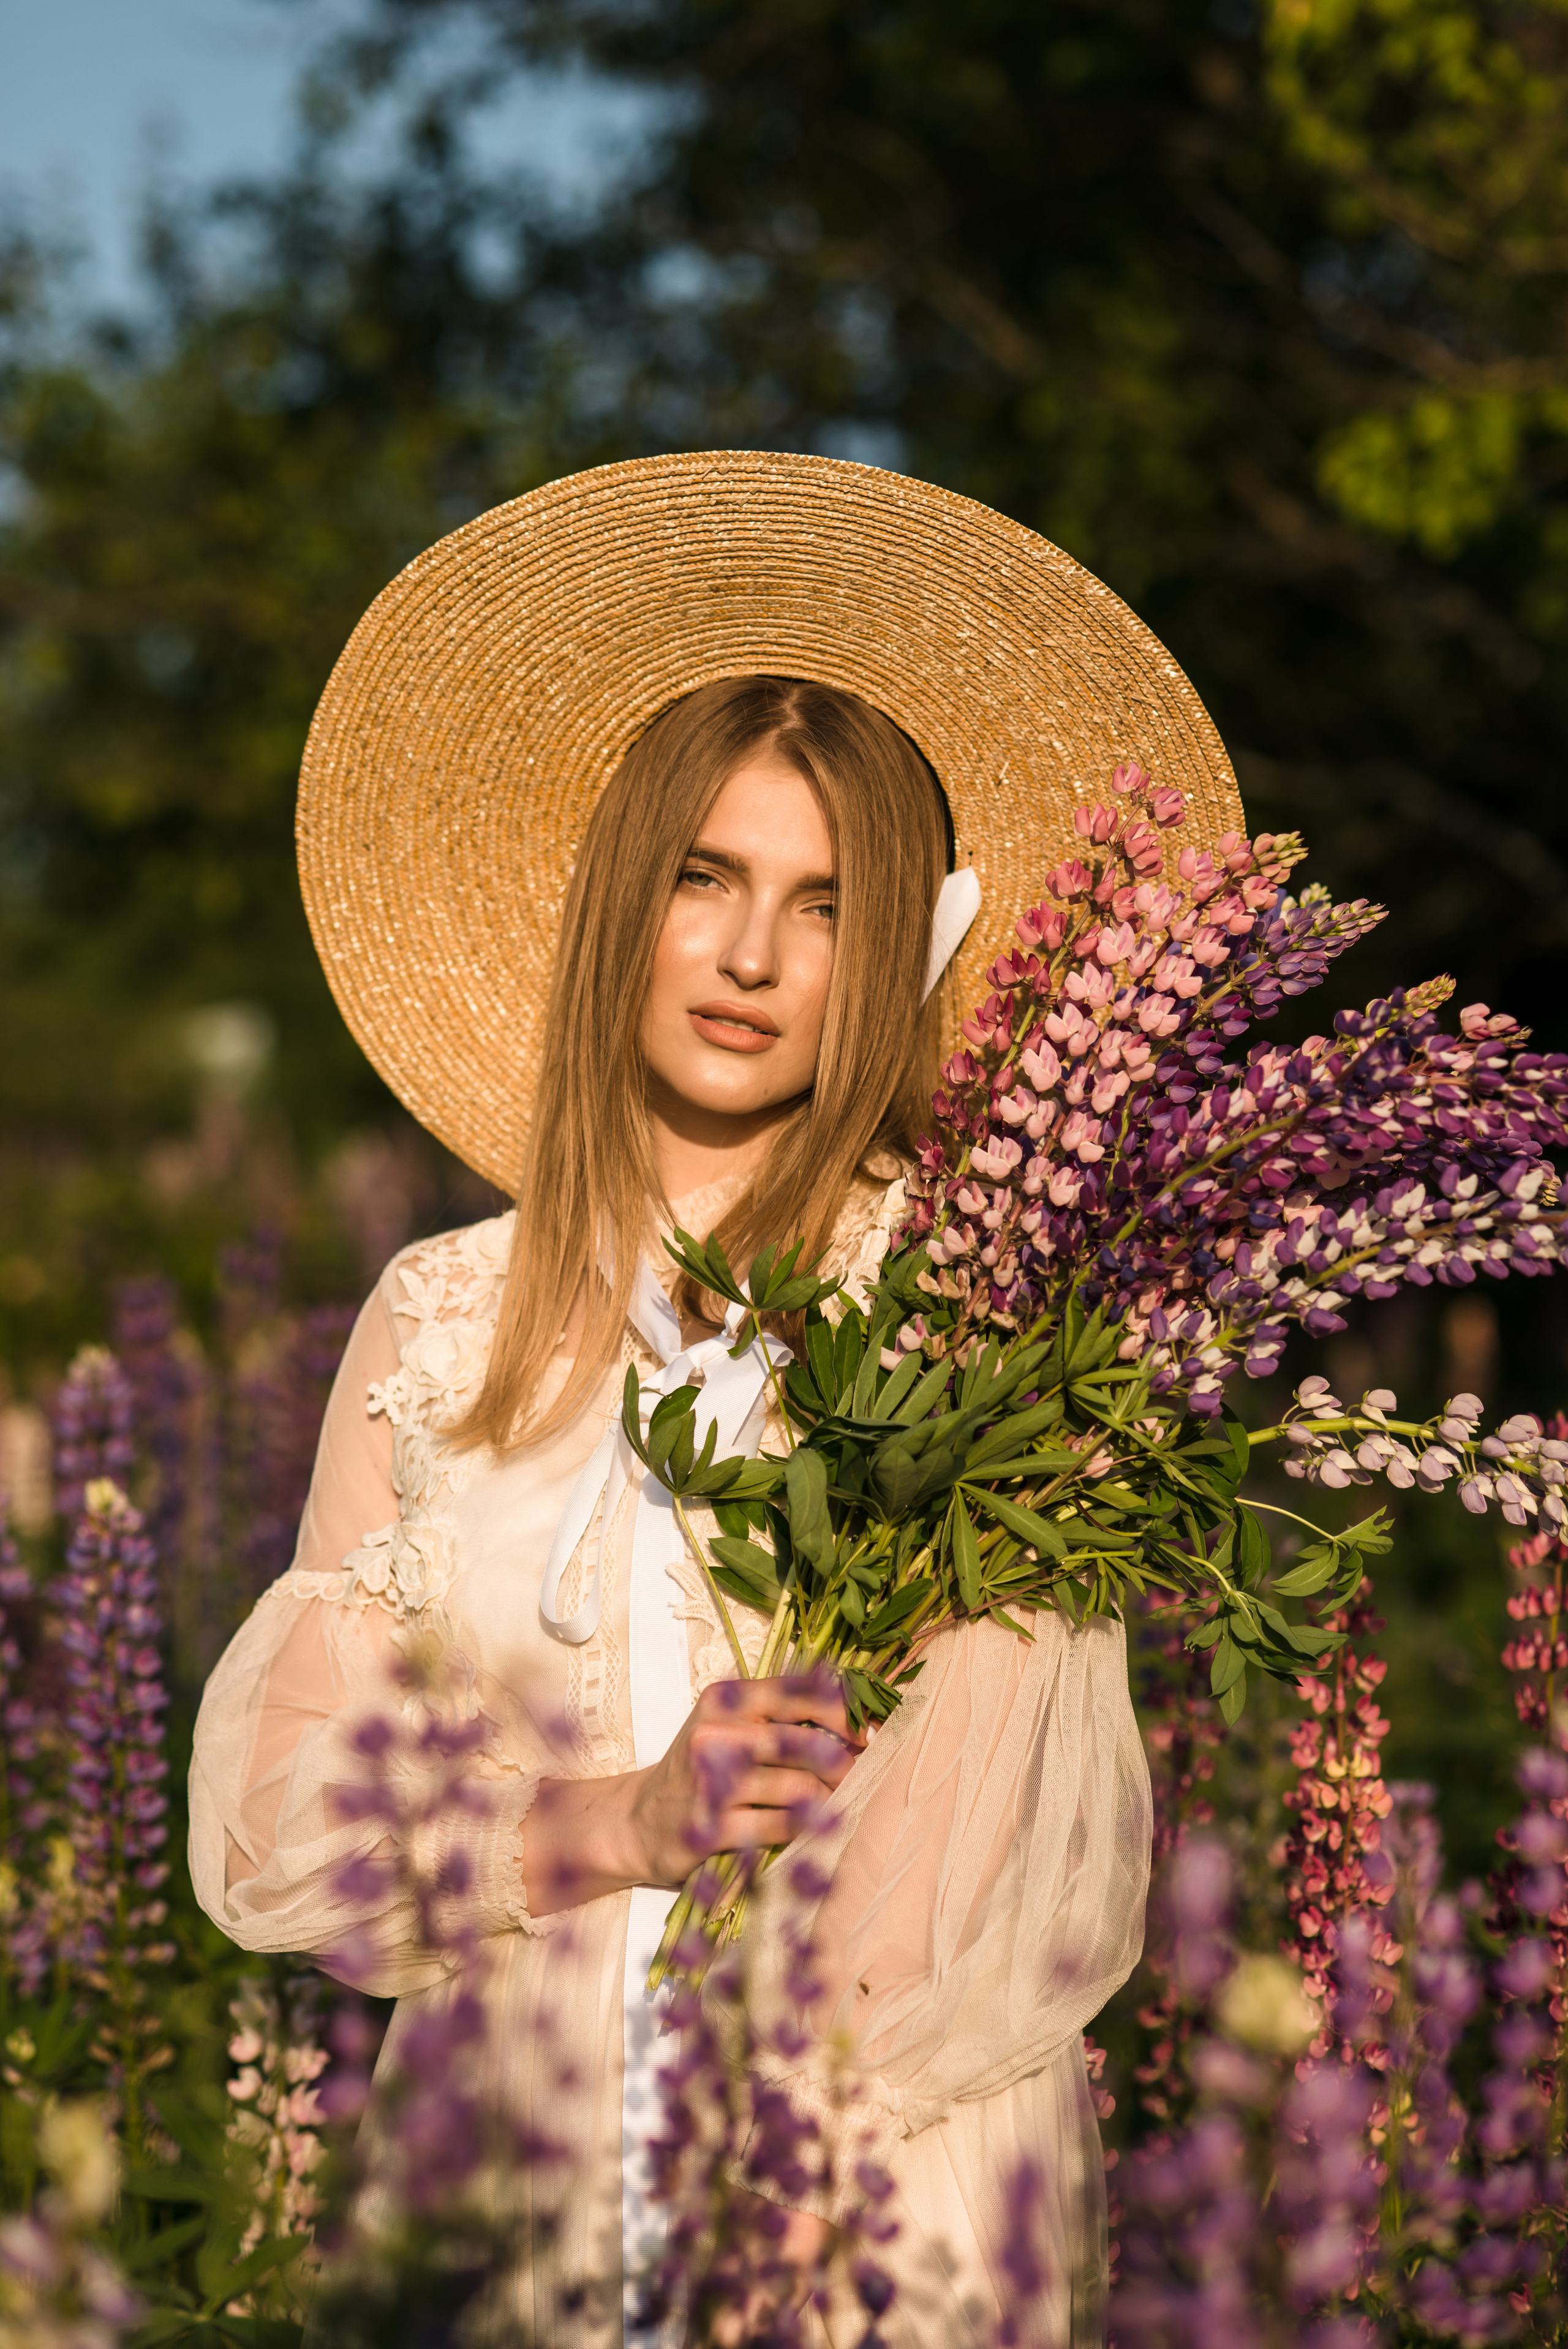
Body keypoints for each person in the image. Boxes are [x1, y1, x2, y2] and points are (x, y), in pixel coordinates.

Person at [190, 451, 1245, 2345]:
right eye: (707, 879)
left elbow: (1010, 1845)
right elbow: (297, 1805)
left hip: (862, 2179)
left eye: (828, 905)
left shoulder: (984, 1309)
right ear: (627, 900)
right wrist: (605, 1826)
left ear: (896, 955)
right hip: (502, 2161)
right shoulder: (444, 1314)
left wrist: (758, 2097)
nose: (755, 956)